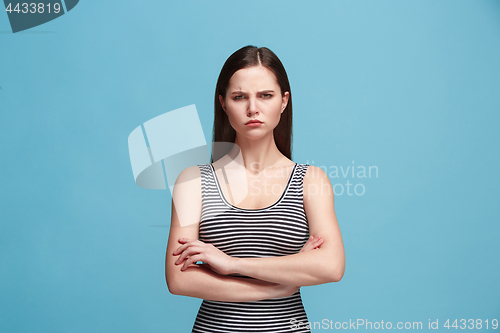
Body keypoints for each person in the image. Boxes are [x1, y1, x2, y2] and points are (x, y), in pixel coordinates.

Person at [165, 45, 345, 332]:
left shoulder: (310, 180)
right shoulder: (194, 182)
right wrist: (279, 285)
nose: (253, 108)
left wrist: (231, 264)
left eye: (265, 95)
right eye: (239, 97)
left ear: (284, 101)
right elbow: (179, 279)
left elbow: (332, 266)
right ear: (223, 103)